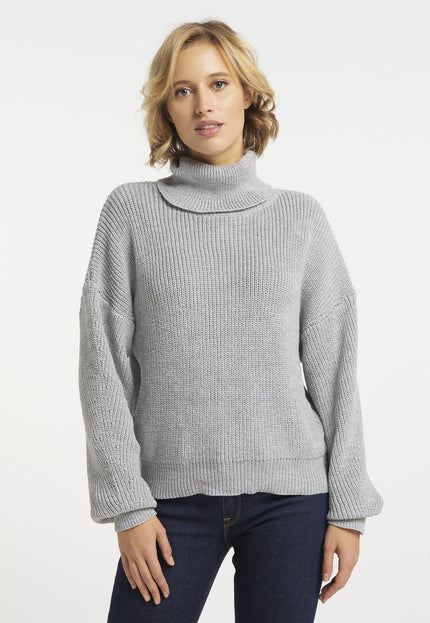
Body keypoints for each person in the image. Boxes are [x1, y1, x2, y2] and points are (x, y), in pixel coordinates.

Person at [78, 19, 384, 623]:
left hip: (292, 500)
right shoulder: (130, 213)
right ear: (166, 107)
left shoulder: (300, 219)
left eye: (218, 84)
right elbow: (102, 365)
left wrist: (348, 507)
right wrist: (127, 504)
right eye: (183, 90)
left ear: (247, 93)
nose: (203, 104)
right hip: (167, 501)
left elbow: (335, 369)